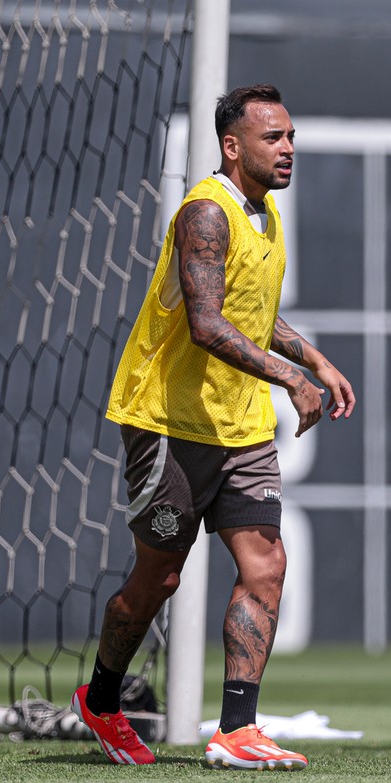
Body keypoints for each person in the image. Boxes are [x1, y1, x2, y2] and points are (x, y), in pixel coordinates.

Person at [69, 84, 355, 769]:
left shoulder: (265, 214)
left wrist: (313, 358)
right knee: (160, 577)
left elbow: (252, 312)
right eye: (273, 138)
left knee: (266, 565)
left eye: (290, 136)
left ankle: (237, 729)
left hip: (242, 427)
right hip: (168, 422)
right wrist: (291, 378)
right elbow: (205, 322)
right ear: (233, 146)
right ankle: (101, 701)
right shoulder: (206, 212)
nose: (288, 149)